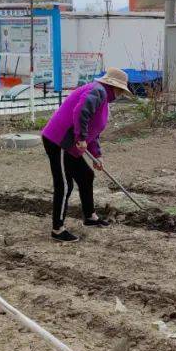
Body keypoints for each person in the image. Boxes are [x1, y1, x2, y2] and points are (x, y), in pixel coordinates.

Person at [41, 68, 133, 242]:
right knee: (64, 185)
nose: (121, 95)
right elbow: (80, 112)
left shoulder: (103, 99)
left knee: (86, 175)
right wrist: (81, 137)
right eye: (121, 91)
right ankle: (58, 229)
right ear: (114, 86)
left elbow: (93, 130)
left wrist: (97, 155)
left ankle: (90, 217)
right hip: (59, 141)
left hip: (71, 143)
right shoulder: (97, 91)